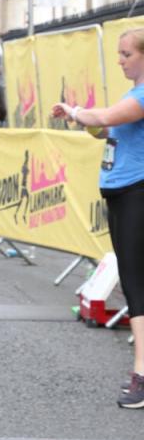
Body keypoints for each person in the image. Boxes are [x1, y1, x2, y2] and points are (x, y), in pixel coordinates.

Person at [52, 27, 144, 407]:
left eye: (126, 54)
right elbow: (104, 128)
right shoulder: (133, 93)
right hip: (123, 193)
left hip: (137, 192)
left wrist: (75, 111)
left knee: (137, 285)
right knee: (133, 280)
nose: (120, 60)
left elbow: (104, 116)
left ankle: (141, 373)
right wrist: (84, 120)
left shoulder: (140, 95)